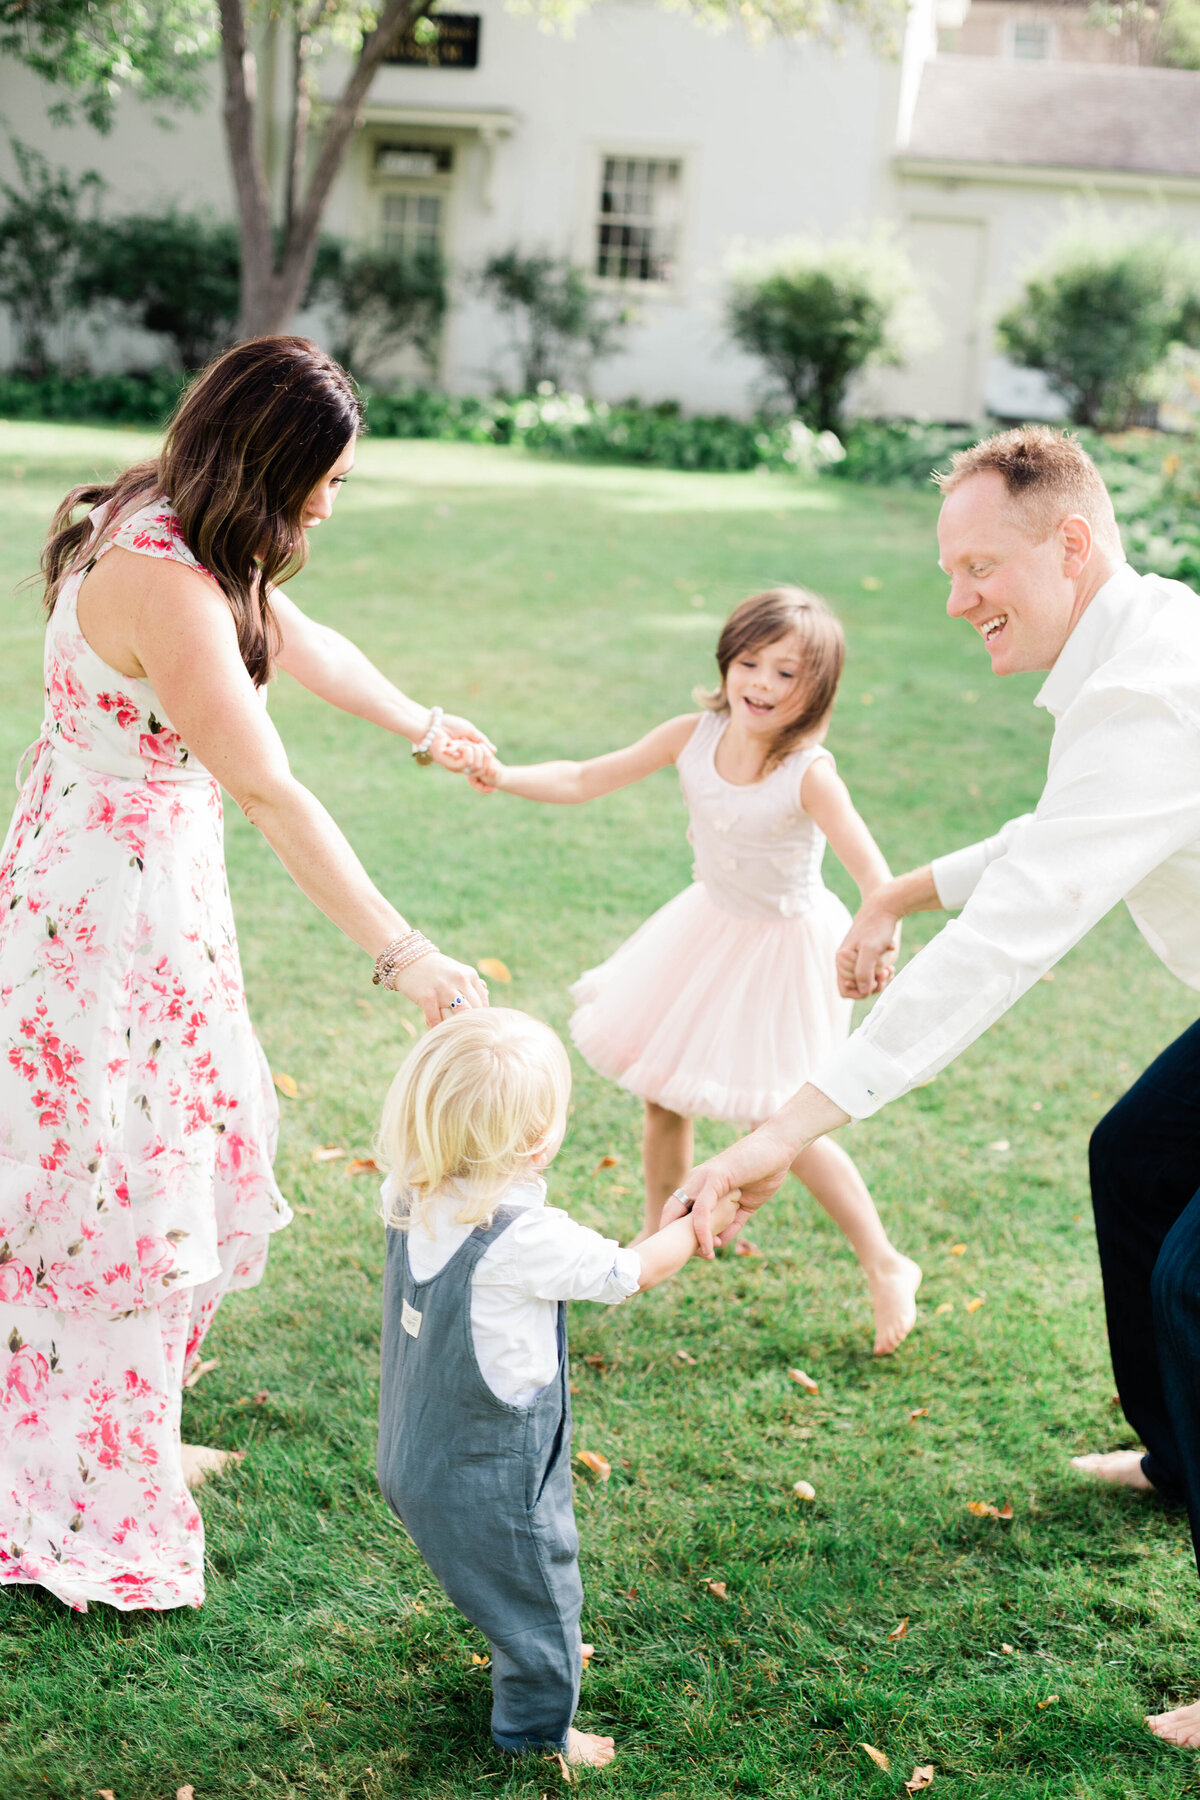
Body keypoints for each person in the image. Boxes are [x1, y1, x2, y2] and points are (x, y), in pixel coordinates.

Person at [666, 426, 1200, 1748]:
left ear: (1071, 546)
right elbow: (1066, 831)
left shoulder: (1148, 687)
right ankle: (1179, 1457)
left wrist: (787, 1127)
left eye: (979, 566)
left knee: (1199, 1284)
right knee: (1135, 1161)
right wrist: (905, 883)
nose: (956, 598)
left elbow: (1009, 946)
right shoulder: (1141, 646)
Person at [0, 336, 491, 1615]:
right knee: (107, 1177)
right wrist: (405, 952)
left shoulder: (180, 528)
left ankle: (128, 1424)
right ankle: (78, 1463)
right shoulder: (160, 580)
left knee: (166, 1150)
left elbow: (297, 636)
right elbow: (270, 787)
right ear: (264, 462)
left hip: (140, 889)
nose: (332, 501)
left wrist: (422, 724)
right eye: (321, 476)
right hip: (105, 917)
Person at [467, 587, 921, 1354]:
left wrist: (880, 935)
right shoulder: (693, 735)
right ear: (726, 663)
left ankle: (885, 1263)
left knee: (781, 1127)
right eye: (751, 664)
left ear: (817, 692)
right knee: (661, 1095)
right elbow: (583, 778)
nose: (763, 686)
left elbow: (876, 877)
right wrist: (501, 775)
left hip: (783, 947)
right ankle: (657, 1237)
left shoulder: (808, 773)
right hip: (707, 927)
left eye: (787, 675)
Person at [375, 1007, 740, 1765]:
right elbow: (627, 1271)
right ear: (541, 1139)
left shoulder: (412, 1193)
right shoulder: (527, 1238)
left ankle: (509, 1632)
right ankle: (537, 1735)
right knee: (544, 1594)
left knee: (499, 1581)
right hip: (490, 1466)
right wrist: (697, 1220)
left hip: (416, 1450)